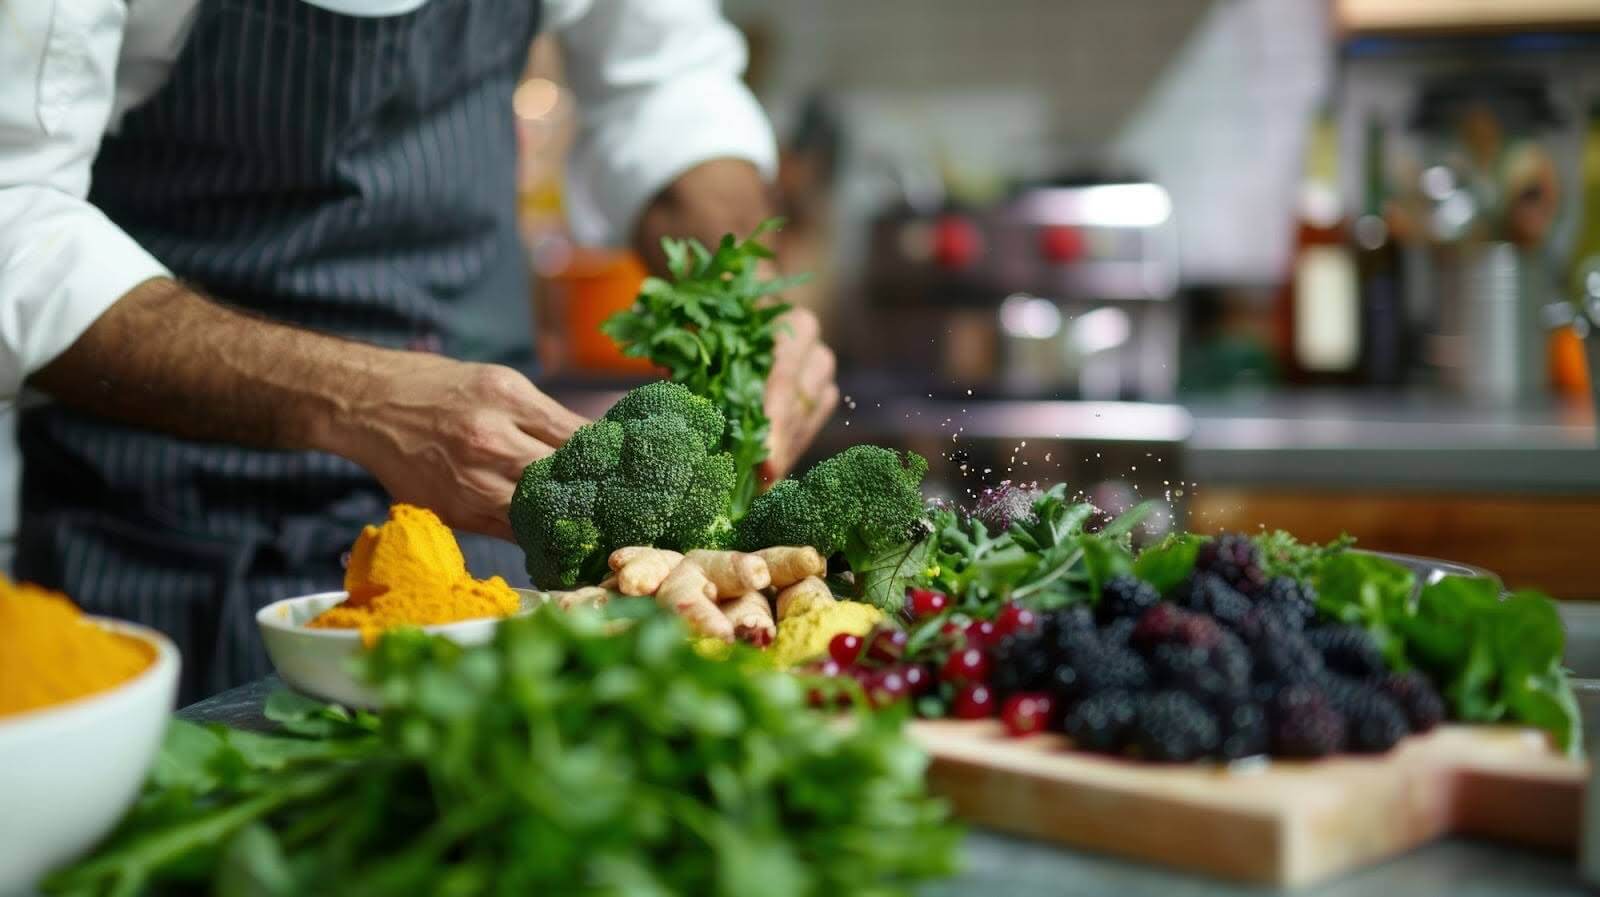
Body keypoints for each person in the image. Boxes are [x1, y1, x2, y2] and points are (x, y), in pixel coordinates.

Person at [0, 0, 839, 700]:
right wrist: (361, 397)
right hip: (153, 541)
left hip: (480, 550)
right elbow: (14, 211)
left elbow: (664, 82)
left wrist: (744, 305)